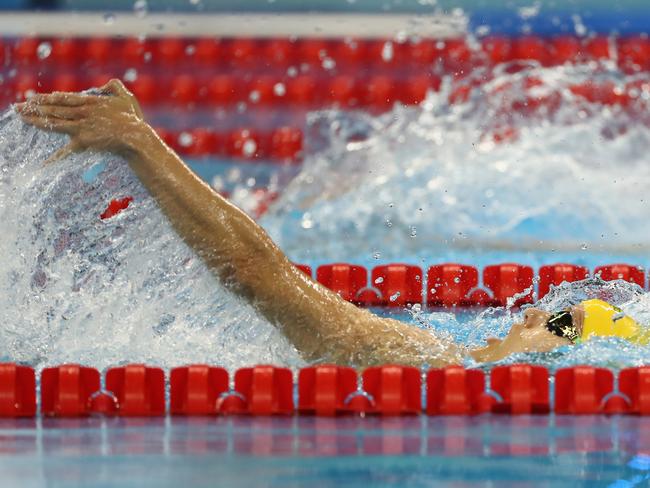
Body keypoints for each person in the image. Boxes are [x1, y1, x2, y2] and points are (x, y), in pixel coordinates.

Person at [15, 80, 642, 367]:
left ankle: (136, 141)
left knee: (274, 284)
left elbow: (256, 274)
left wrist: (139, 144)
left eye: (558, 324)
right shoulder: (460, 360)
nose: (533, 314)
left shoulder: (431, 364)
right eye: (559, 310)